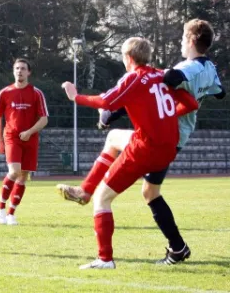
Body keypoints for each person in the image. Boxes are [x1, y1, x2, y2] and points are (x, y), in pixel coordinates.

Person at [57, 20, 225, 265]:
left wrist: (78, 98)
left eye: (182, 37)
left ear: (128, 57)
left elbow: (120, 97)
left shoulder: (178, 69)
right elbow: (207, 97)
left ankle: (103, 252)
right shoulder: (205, 68)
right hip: (172, 141)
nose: (179, 41)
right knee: (147, 187)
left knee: (103, 196)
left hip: (154, 140)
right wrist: (167, 110)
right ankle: (178, 248)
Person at [0, 58, 49, 226]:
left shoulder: (36, 93)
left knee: (24, 175)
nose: (20, 71)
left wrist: (30, 132)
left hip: (30, 139)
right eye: (17, 68)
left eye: (23, 68)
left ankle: (11, 214)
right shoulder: (4, 93)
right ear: (13, 71)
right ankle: (0, 209)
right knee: (14, 171)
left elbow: (44, 119)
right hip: (11, 137)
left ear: (28, 72)